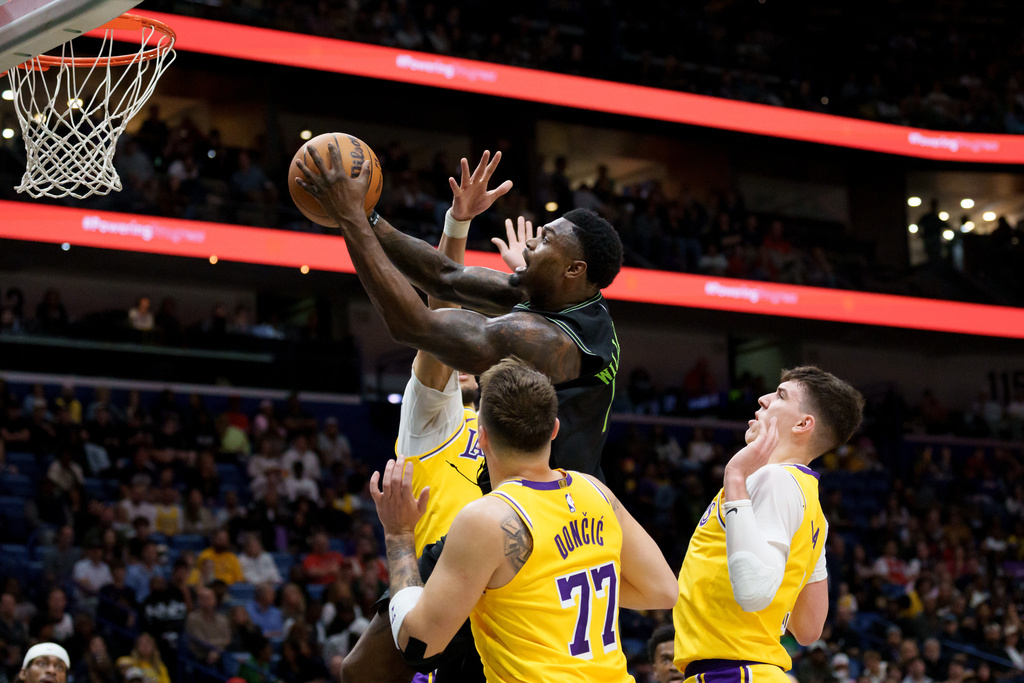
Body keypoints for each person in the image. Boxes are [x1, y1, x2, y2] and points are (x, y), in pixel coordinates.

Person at [296, 147, 623, 480]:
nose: (529, 246)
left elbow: (415, 326)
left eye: (545, 240)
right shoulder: (564, 296)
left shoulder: (551, 343)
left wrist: (351, 219)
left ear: (573, 269)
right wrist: (367, 216)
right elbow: (444, 276)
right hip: (544, 498)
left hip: (559, 512)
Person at [371, 357, 677, 681]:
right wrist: (549, 591)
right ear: (554, 429)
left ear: (482, 435)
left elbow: (418, 645)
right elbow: (663, 590)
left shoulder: (486, 519)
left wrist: (399, 535)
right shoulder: (596, 492)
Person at [342, 154, 489, 682]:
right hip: (437, 578)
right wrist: (457, 226)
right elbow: (438, 314)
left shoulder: (516, 422)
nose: (470, 350)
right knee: (360, 672)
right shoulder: (433, 415)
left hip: (503, 576)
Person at [673, 366, 865, 683]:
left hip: (734, 673)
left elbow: (753, 592)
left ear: (804, 424)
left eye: (780, 395)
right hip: (751, 670)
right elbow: (808, 628)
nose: (763, 399)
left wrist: (735, 477)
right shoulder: (810, 504)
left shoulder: (772, 479)